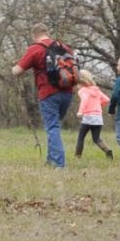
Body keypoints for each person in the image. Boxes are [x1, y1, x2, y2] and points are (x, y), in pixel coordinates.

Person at [12, 23, 74, 168]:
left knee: (52, 127)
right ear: (47, 32)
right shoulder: (64, 47)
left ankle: (59, 164)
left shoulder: (35, 48)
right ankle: (50, 160)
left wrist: (14, 66)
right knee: (55, 125)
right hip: (68, 92)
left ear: (34, 35)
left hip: (49, 93)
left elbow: (17, 71)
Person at [75, 70, 113, 160]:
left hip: (88, 117)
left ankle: (77, 157)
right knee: (96, 138)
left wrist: (80, 112)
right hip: (98, 118)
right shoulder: (96, 90)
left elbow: (85, 100)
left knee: (81, 137)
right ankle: (107, 150)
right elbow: (107, 99)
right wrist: (97, 105)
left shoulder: (82, 90)